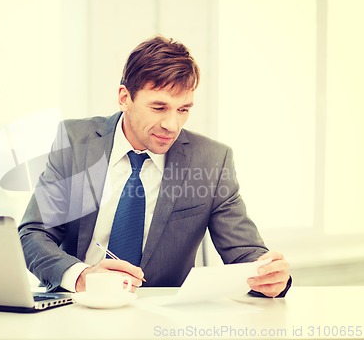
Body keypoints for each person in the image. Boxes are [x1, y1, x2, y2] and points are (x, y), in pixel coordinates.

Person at [18, 35, 291, 298]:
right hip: (80, 305)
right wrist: (81, 276)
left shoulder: (211, 161)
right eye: (159, 108)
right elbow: (34, 234)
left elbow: (245, 254)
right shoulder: (76, 143)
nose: (171, 125)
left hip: (163, 317)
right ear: (125, 97)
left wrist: (270, 275)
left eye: (183, 109)